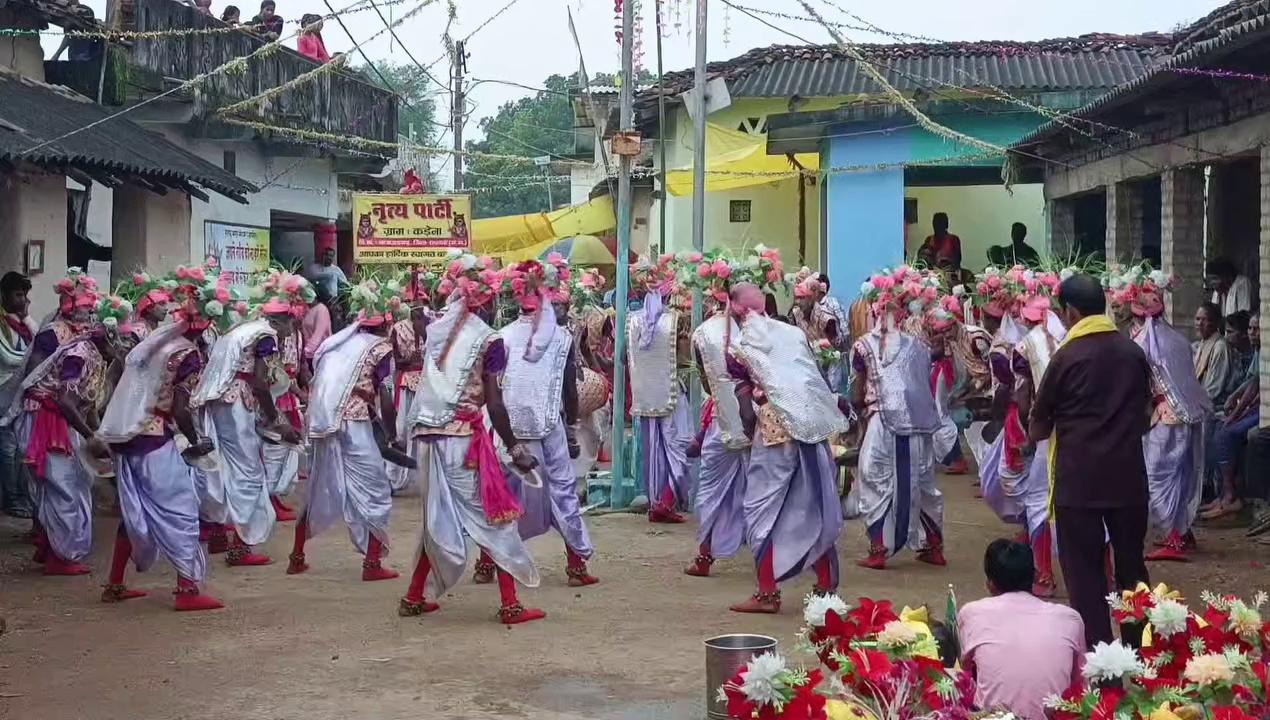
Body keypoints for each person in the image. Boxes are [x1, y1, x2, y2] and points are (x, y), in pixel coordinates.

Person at [397, 253, 546, 625]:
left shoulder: (438, 330)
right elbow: (494, 402)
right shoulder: (487, 339)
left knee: (439, 517)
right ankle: (510, 604)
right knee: (494, 517)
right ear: (486, 299)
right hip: (461, 439)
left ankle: (414, 596)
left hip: (428, 437)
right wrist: (515, 447)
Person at [1028, 272, 1152, 648]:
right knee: (1132, 568)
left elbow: (1038, 425)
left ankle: (1101, 658)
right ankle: (1138, 652)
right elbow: (1147, 415)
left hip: (1079, 481)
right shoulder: (1133, 352)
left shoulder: (1067, 356)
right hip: (1128, 478)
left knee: (1084, 574)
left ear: (1070, 311)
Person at [96, 272, 224, 611]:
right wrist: (196, 441)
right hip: (155, 441)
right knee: (180, 511)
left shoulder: (155, 345)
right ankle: (187, 590)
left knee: (135, 511)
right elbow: (181, 408)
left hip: (128, 438)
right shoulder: (188, 354)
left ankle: (115, 583)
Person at [727, 281, 849, 613]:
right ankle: (825, 585)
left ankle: (767, 592)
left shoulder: (741, 344)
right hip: (811, 429)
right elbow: (813, 379)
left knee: (761, 510)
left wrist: (749, 427)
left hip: (773, 433)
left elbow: (743, 400)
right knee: (810, 504)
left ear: (736, 308)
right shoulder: (792, 334)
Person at [491, 256, 598, 587]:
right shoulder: (561, 338)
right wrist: (570, 429)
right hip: (550, 425)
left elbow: (491, 391)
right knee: (564, 492)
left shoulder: (500, 337)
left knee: (503, 496)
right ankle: (576, 566)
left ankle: (489, 564)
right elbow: (569, 390)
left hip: (508, 431)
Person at [191, 270, 308, 567]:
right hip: (236, 401)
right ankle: (241, 546)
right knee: (249, 471)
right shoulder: (265, 335)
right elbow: (258, 382)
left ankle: (220, 532)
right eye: (290, 325)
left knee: (226, 467)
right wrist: (276, 421)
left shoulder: (244, 329)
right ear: (282, 321)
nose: (288, 333)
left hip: (221, 401)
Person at [288, 278, 399, 581]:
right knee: (375, 489)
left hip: (323, 424)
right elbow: (386, 395)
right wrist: (392, 435)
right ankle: (372, 565)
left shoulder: (336, 343)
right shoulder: (380, 348)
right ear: (385, 322)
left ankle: (297, 556)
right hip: (354, 424)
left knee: (318, 486)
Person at [0, 271, 109, 575]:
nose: (93, 315)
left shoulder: (84, 341)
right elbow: (34, 378)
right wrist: (89, 433)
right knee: (62, 484)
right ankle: (62, 554)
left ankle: (51, 545)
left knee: (67, 481)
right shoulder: (53, 334)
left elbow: (82, 392)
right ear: (69, 307)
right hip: (44, 416)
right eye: (87, 308)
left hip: (61, 415)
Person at [1108, 265, 1211, 562]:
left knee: (1158, 476)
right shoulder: (1173, 338)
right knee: (1177, 474)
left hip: (1167, 415)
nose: (1118, 311)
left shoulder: (1145, 343)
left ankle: (1173, 538)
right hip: (1178, 415)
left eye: (1120, 305)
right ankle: (1182, 532)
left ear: (1135, 309)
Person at [848, 266, 945, 570]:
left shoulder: (863, 345)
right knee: (924, 482)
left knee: (872, 476)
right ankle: (934, 546)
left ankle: (879, 548)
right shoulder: (919, 346)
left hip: (883, 421)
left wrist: (855, 419)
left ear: (874, 309)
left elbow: (856, 389)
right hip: (921, 423)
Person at [683, 252, 756, 578]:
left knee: (712, 491)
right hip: (762, 423)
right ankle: (771, 563)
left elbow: (707, 382)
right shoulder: (763, 329)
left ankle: (704, 557)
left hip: (721, 423)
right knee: (763, 491)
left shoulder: (701, 334)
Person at [957, 539, 1085, 720]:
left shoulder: (971, 613)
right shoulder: (1070, 618)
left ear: (990, 583)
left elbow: (966, 671)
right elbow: (1080, 684)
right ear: (1034, 576)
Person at [627, 255, 692, 523]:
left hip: (645, 396)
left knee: (654, 452)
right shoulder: (677, 321)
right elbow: (686, 358)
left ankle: (659, 501)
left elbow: (624, 358)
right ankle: (666, 500)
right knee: (679, 446)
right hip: (672, 394)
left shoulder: (632, 322)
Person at [1202, 314, 1260, 520]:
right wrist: (1236, 401)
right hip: (1252, 406)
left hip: (1261, 409)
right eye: (1251, 329)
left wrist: (1236, 413)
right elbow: (1251, 383)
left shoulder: (1261, 352)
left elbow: (1255, 390)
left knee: (1226, 432)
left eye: (1256, 329)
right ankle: (1221, 494)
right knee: (1219, 428)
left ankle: (1230, 497)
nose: (1253, 333)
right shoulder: (1257, 353)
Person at [385, 271, 428, 496]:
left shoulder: (431, 327)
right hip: (405, 383)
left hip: (424, 384)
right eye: (417, 304)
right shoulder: (398, 329)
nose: (420, 308)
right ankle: (392, 477)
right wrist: (409, 360)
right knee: (401, 429)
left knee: (421, 430)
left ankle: (420, 477)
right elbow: (395, 358)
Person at [0, 272, 38, 518]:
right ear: (3, 296)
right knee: (8, 448)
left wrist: (27, 318)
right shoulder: (2, 324)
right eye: (17, 295)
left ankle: (19, 497)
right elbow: (8, 358)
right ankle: (11, 500)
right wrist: (33, 360)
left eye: (25, 295)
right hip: (3, 393)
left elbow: (43, 343)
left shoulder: (20, 324)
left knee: (20, 448)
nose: (23, 300)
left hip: (18, 392)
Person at [1193, 302, 1233, 406]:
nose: (1199, 323)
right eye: (1197, 319)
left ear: (1216, 322)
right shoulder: (1202, 343)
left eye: (1204, 319)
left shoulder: (1220, 347)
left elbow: (1214, 388)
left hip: (1215, 405)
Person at [307, 233, 347, 300]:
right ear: (322, 255)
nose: (328, 257)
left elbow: (345, 284)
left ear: (333, 257)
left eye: (331, 256)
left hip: (332, 299)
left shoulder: (336, 270)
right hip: (316, 299)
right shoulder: (313, 268)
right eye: (326, 255)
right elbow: (308, 281)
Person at [302, 290, 333, 369]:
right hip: (308, 355)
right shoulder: (305, 309)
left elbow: (318, 334)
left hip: (320, 354)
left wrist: (306, 352)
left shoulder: (321, 309)